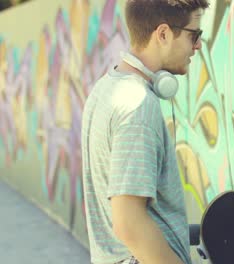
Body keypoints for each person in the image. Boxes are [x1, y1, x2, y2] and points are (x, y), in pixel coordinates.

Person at [81, 1, 209, 263]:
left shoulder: (105, 88)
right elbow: (129, 223)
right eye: (193, 35)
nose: (197, 45)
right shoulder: (138, 104)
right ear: (162, 34)